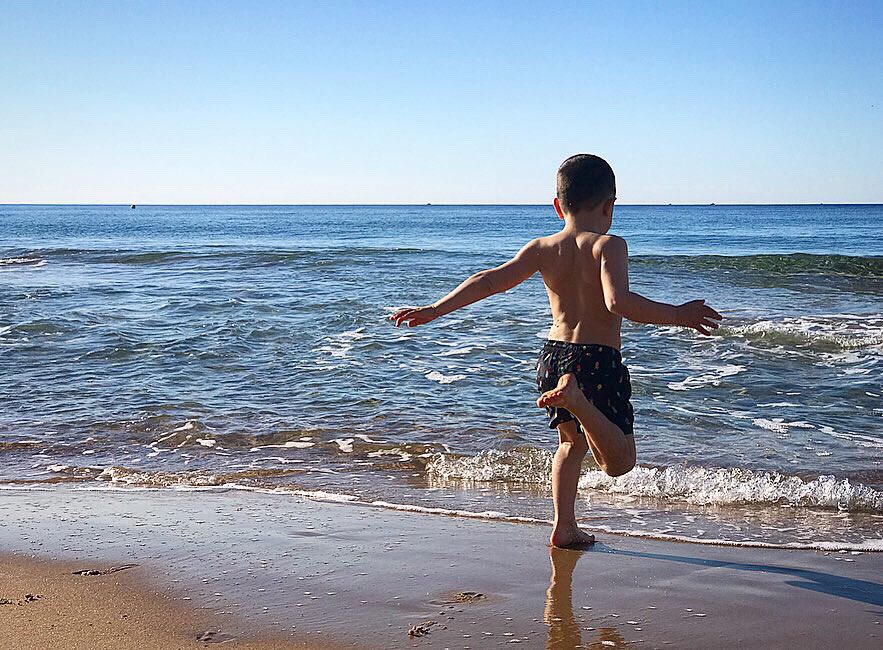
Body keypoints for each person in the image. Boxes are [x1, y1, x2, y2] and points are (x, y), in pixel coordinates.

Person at [390, 154, 723, 548]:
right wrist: (679, 315)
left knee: (570, 444)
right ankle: (579, 402)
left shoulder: (542, 247)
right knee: (620, 463)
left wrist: (434, 309)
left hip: (554, 356)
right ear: (609, 206)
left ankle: (564, 527)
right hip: (596, 359)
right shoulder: (609, 245)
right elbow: (618, 302)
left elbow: (489, 281)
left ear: (556, 204)